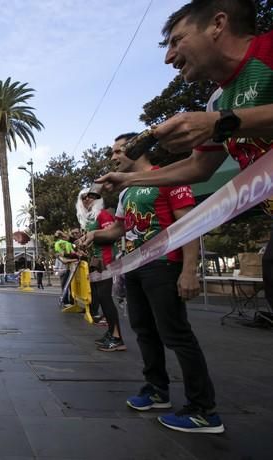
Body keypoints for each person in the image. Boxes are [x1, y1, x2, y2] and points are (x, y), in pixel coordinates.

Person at [96, 0, 273, 312]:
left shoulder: (269, 51)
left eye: (177, 41)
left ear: (218, 24)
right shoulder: (217, 101)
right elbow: (200, 166)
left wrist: (223, 123)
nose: (169, 57)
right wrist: (128, 178)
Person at [80, 133, 223, 434]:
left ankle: (203, 409)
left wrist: (189, 270)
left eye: (120, 150)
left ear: (139, 149)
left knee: (176, 334)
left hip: (163, 266)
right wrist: (94, 235)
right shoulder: (125, 192)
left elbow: (188, 225)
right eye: (112, 151)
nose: (114, 156)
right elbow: (118, 229)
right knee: (144, 331)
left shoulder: (169, 178)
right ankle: (157, 390)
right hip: (134, 267)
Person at [75, 188, 125, 351]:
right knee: (102, 298)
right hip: (96, 262)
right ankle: (112, 333)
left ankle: (117, 338)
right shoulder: (90, 219)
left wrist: (93, 236)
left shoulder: (102, 214)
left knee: (105, 298)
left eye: (91, 196)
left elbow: (112, 234)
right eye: (83, 197)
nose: (87, 199)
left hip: (106, 261)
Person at [54, 230, 74, 303]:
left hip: (63, 268)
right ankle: (70, 301)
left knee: (65, 285)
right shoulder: (68, 244)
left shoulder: (57, 244)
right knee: (70, 286)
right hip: (68, 267)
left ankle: (66, 301)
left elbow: (59, 256)